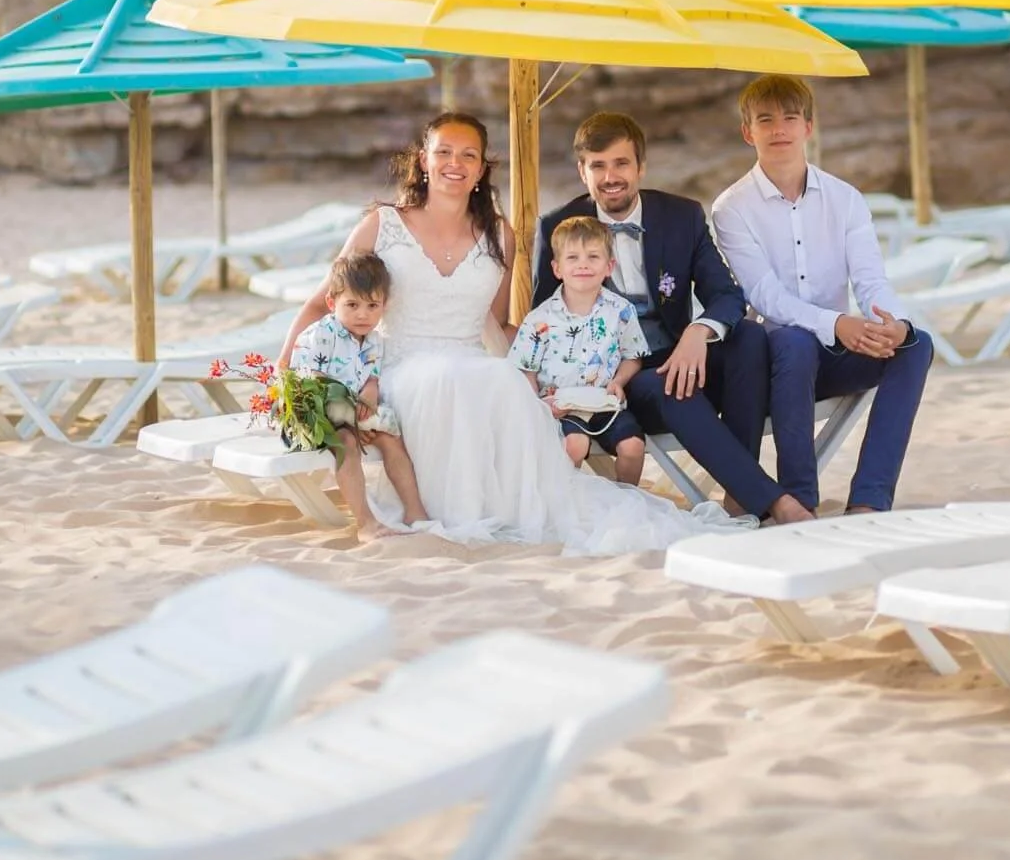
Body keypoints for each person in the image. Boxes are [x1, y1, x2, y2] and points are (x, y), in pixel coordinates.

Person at [279, 112, 739, 554]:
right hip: (403, 367)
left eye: (468, 155)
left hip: (475, 362)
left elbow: (499, 325)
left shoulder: (500, 233)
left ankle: (511, 504)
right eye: (444, 152)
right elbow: (326, 301)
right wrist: (284, 371)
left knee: (503, 382)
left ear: (482, 167)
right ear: (424, 159)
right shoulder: (382, 224)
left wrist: (568, 361)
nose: (454, 164)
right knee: (449, 379)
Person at [535, 112, 813, 525]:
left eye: (621, 163)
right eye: (598, 166)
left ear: (640, 167)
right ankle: (773, 501)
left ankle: (739, 494)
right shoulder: (558, 227)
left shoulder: (682, 217)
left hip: (679, 352)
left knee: (750, 339)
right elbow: (543, 315)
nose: (611, 176)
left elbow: (726, 295)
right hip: (618, 380)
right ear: (582, 172)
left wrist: (698, 332)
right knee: (670, 386)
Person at [711, 75, 933, 518]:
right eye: (765, 120)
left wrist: (894, 324)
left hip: (839, 353)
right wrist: (836, 323)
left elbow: (870, 279)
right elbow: (765, 296)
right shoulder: (731, 208)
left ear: (808, 127)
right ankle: (800, 501)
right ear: (747, 131)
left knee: (917, 344)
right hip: (777, 362)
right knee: (794, 339)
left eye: (790, 118)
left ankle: (869, 501)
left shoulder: (845, 199)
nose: (779, 130)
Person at [287, 251, 428, 543]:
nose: (363, 314)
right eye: (352, 305)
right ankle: (366, 522)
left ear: (384, 306)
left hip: (357, 413)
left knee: (391, 439)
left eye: (372, 305)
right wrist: (348, 418)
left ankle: (415, 512)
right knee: (347, 443)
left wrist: (371, 388)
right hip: (319, 414)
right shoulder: (319, 336)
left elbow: (371, 375)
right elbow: (307, 381)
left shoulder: (375, 340)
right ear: (332, 302)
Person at [510, 216, 650, 483]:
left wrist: (619, 382)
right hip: (560, 407)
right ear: (557, 268)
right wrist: (539, 407)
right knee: (573, 445)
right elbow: (525, 368)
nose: (583, 264)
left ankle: (627, 505)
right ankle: (565, 503)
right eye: (572, 258)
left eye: (593, 257)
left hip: (603, 404)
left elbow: (633, 356)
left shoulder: (621, 310)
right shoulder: (540, 319)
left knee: (633, 447)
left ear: (609, 266)